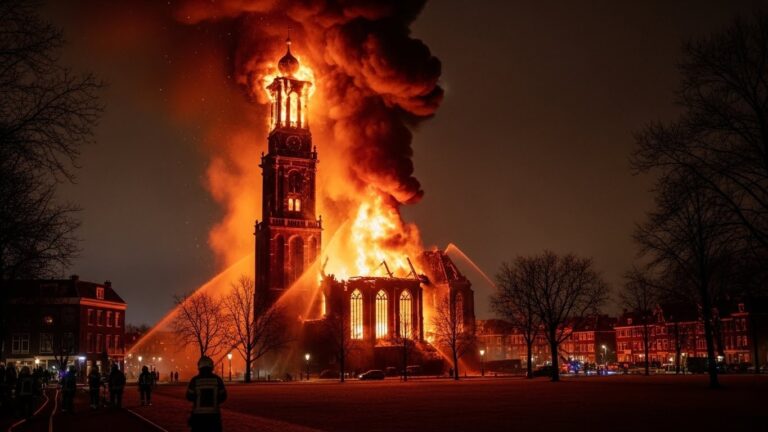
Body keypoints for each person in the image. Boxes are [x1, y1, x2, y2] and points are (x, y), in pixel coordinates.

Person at [186, 356, 227, 432]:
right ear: (211, 366)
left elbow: (189, 396)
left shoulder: (195, 380)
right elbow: (223, 396)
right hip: (214, 416)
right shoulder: (217, 380)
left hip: (198, 417)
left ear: (199, 367)